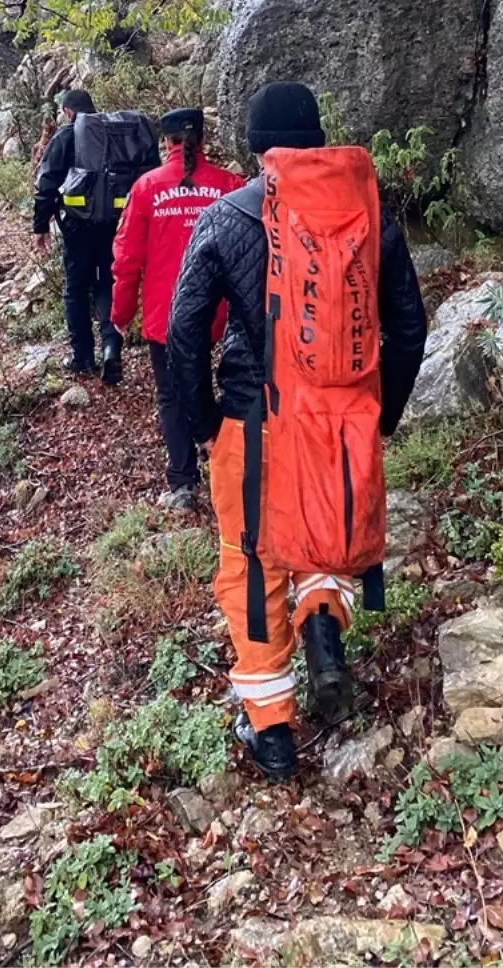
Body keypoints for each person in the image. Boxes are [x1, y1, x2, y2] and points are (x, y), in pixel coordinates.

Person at [167, 83, 427, 782]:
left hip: (251, 422)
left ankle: (272, 730)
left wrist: (201, 423)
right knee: (329, 538)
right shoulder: (369, 216)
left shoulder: (223, 219)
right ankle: (321, 620)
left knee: (250, 567)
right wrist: (383, 417)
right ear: (318, 140)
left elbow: (185, 332)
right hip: (339, 422)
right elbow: (409, 328)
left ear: (256, 150)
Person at [110, 108, 244, 512]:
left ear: (165, 142)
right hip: (217, 313)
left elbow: (127, 259)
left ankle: (183, 483)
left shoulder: (147, 188)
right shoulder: (230, 186)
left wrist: (119, 316)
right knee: (214, 384)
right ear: (201, 139)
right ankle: (221, 460)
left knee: (171, 395)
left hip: (164, 316)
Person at [33, 89, 124, 383]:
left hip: (76, 228)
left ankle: (83, 357)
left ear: (68, 112)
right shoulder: (114, 132)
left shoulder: (65, 136)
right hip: (112, 224)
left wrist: (40, 226)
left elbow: (47, 183)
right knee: (106, 283)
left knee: (75, 290)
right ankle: (111, 347)